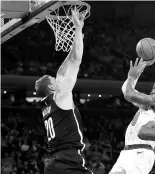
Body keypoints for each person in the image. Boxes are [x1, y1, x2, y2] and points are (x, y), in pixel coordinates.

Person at [35, 9, 93, 174]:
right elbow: (76, 61)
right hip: (68, 161)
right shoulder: (61, 96)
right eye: (54, 80)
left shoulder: (47, 106)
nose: (58, 79)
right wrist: (78, 28)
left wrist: (76, 42)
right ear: (52, 88)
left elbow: (61, 71)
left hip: (53, 164)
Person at [109, 58, 155, 174]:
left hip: (141, 153)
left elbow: (129, 94)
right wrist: (135, 75)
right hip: (129, 152)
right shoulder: (152, 103)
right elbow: (126, 90)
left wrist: (132, 77)